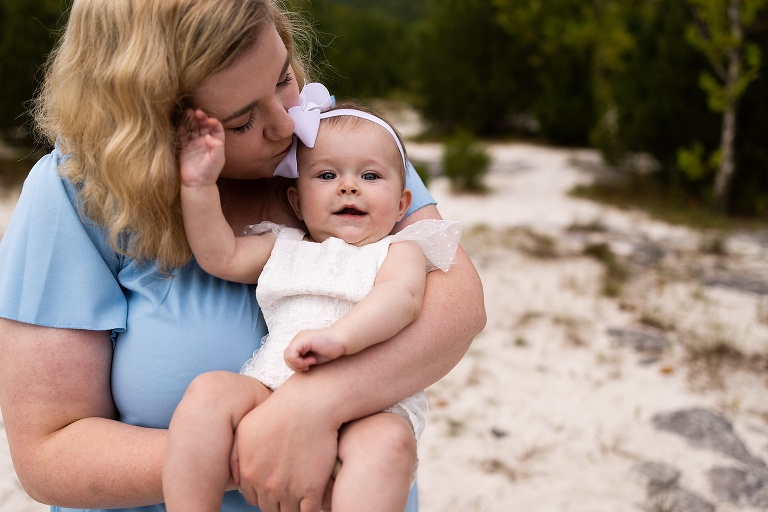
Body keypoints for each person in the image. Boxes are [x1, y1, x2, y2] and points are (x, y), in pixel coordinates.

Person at [0, 1, 486, 512]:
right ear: (157, 128)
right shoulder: (75, 195)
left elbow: (456, 301)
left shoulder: (339, 144)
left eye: (282, 79)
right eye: (241, 120)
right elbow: (48, 452)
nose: (284, 126)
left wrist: (317, 404)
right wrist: (252, 450)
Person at [164, 95, 462, 512]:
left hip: (369, 402)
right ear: (297, 202)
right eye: (326, 175)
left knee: (388, 444)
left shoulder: (398, 251)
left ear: (401, 205)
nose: (349, 186)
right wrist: (198, 187)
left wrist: (341, 338)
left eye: (371, 175)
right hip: (274, 384)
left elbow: (403, 299)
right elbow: (220, 256)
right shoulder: (283, 246)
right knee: (208, 394)